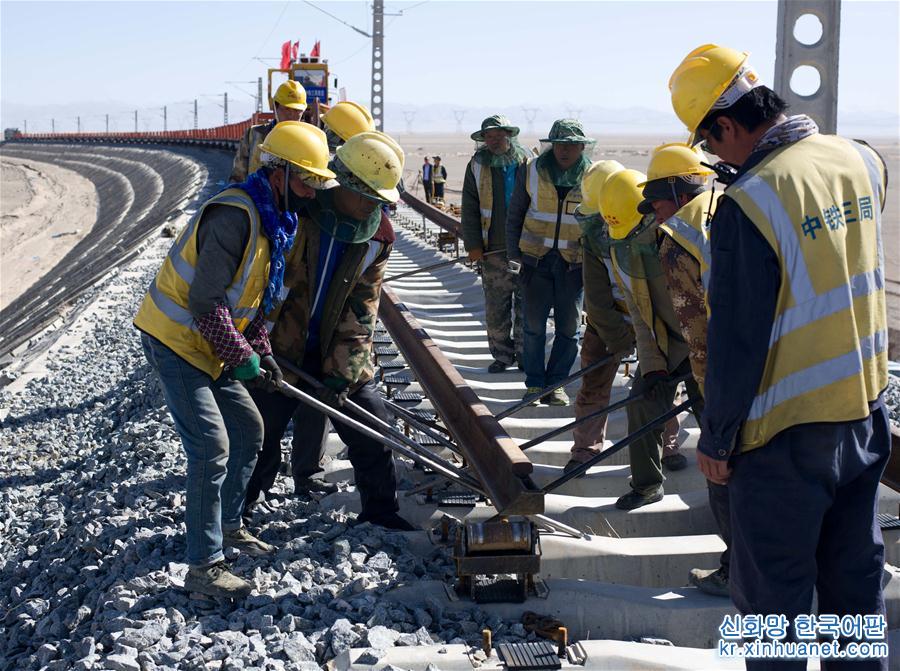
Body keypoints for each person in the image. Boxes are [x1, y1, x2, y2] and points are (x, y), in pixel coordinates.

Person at [671, 44, 890, 667]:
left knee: (774, 604)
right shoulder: (860, 160)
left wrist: (716, 440)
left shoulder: (750, 201)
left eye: (712, 146)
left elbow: (738, 338)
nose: (716, 159)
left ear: (727, 126)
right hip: (862, 413)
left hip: (783, 435)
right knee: (854, 589)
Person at [134, 121, 337, 598]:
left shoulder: (272, 221)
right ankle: (203, 567)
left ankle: (228, 525)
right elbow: (207, 301)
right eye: (307, 180)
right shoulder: (235, 216)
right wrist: (239, 356)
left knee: (249, 431)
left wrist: (261, 353)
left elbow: (248, 301)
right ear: (280, 173)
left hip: (208, 344)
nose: (312, 192)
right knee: (210, 447)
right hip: (177, 341)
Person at [244, 130, 416, 532]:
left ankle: (380, 511)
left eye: (379, 200)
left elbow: (363, 308)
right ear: (343, 184)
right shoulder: (299, 210)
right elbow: (259, 284)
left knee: (372, 425)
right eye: (366, 196)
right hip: (279, 344)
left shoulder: (378, 235)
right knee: (259, 431)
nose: (372, 206)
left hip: (333, 348)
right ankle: (240, 511)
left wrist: (343, 372)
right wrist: (259, 345)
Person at [636, 142, 730, 597]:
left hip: (730, 378)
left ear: (677, 189)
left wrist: (713, 412)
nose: (653, 211)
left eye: (655, 199)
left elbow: (699, 336)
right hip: (782, 367)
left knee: (726, 476)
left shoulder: (677, 240)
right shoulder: (735, 205)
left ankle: (738, 568)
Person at [599, 169, 700, 510]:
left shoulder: (690, 239)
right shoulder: (621, 251)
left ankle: (735, 495)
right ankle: (646, 486)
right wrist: (655, 367)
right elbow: (642, 317)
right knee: (642, 403)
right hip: (668, 345)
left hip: (707, 345)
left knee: (717, 417)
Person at [507, 119, 592, 406]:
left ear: (582, 146)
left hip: (573, 266)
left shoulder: (592, 176)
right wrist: (513, 255)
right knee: (533, 326)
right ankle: (534, 384)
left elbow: (596, 224)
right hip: (535, 262)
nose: (565, 151)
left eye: (571, 145)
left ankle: (556, 384)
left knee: (569, 329)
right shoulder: (530, 170)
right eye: (560, 145)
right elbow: (515, 213)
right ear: (551, 145)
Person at [565, 160, 635, 470]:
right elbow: (596, 296)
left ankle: (668, 447)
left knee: (661, 386)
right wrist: (619, 338)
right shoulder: (593, 239)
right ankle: (585, 451)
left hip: (650, 321)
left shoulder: (650, 228)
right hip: (606, 324)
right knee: (593, 387)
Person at [461, 115, 532, 373]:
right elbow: (469, 207)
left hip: (526, 250)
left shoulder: (528, 162)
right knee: (496, 306)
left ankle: (526, 355)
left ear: (509, 136)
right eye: (488, 137)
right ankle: (502, 355)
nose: (493, 141)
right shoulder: (477, 165)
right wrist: (473, 245)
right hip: (493, 250)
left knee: (526, 306)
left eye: (498, 135)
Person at [230, 80, 308, 182]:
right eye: (287, 109)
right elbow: (237, 176)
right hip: (256, 195)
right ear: (276, 107)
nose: (291, 115)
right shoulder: (254, 135)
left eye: (297, 111)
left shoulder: (309, 141)